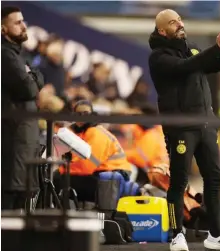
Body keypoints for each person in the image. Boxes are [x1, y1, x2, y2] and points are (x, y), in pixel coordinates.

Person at [148, 9, 220, 251]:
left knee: (214, 179)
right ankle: (176, 235)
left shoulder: (190, 46)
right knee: (178, 182)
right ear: (162, 30)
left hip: (206, 124)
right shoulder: (159, 57)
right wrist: (217, 48)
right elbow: (187, 66)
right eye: (173, 22)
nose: (179, 24)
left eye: (180, 20)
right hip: (181, 128)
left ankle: (215, 234)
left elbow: (211, 66)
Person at [1, 6, 45, 210]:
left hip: (24, 138)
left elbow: (37, 77)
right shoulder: (5, 55)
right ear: (3, 29)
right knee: (10, 200)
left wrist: (32, 74)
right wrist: (32, 77)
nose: (23, 26)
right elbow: (28, 89)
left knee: (21, 198)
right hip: (13, 139)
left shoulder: (17, 54)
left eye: (23, 21)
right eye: (17, 23)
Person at [53, 100, 133, 204]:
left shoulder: (96, 133)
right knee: (58, 178)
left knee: (58, 180)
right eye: (78, 114)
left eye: (85, 114)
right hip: (103, 176)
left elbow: (87, 166)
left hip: (110, 179)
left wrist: (62, 170)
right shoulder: (83, 132)